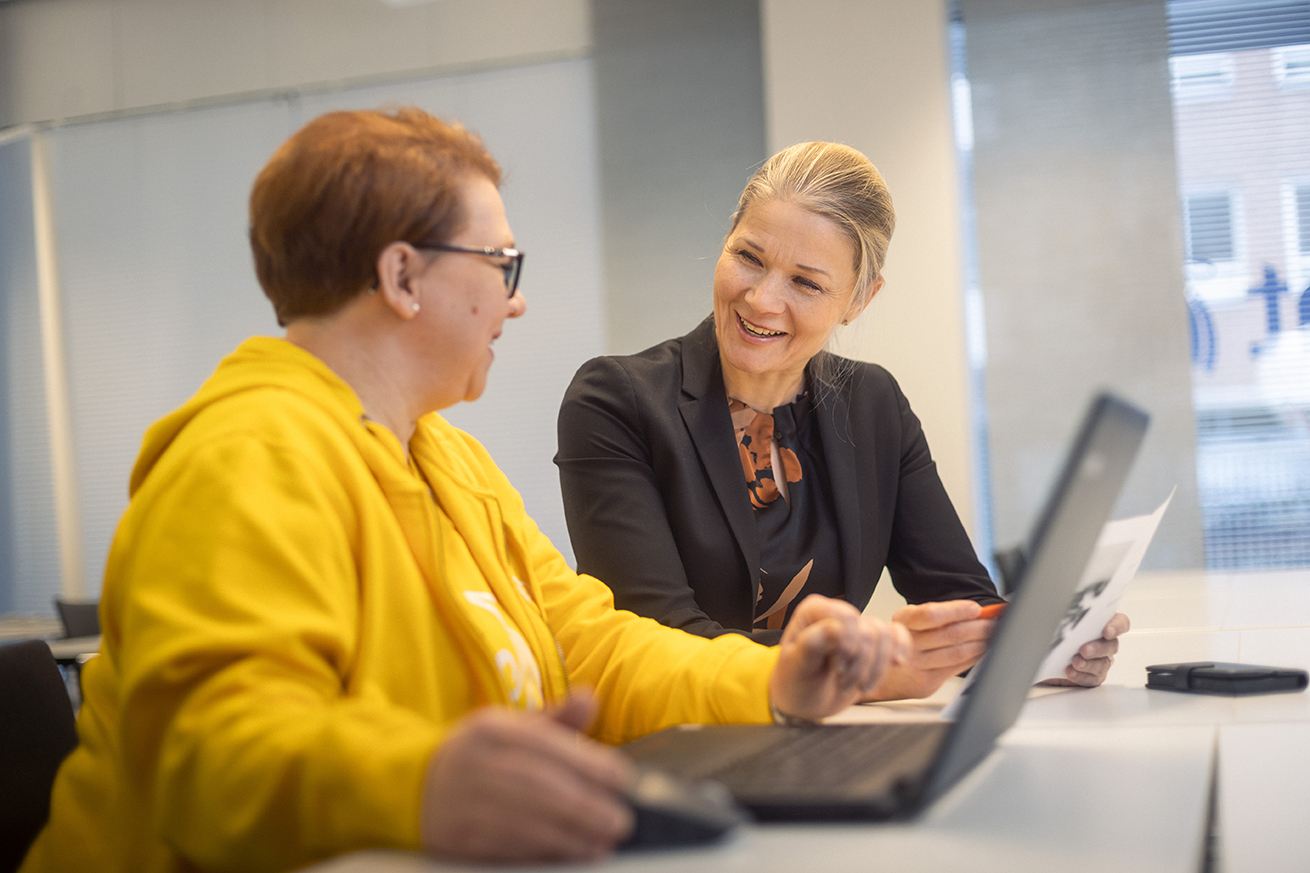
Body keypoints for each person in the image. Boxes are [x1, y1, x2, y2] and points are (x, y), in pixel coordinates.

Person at [19, 110, 910, 873]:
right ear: (404, 277)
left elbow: (587, 649)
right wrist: (423, 782)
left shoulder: (446, 461)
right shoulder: (245, 457)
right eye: (500, 265)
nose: (514, 303)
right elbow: (214, 750)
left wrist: (774, 679)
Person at [556, 141, 1128, 702]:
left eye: (805, 283)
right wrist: (863, 671)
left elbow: (959, 596)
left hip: (823, 741)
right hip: (677, 747)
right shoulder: (615, 400)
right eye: (749, 257)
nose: (761, 299)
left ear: (859, 299)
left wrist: (1039, 648)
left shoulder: (872, 404)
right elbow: (657, 638)